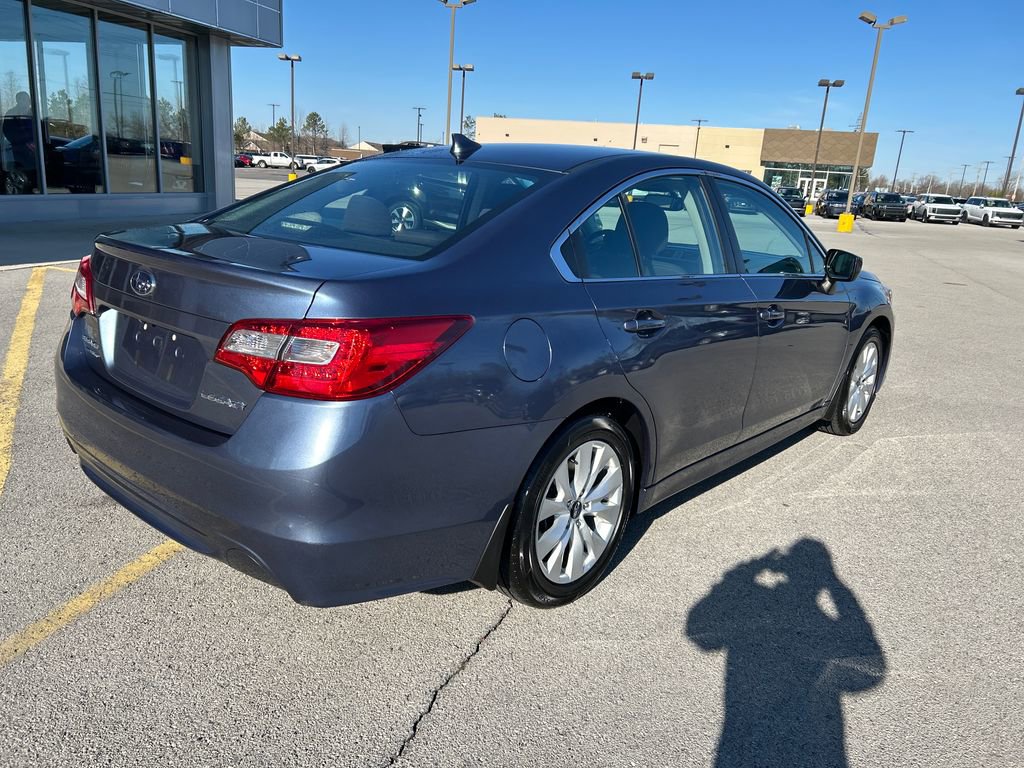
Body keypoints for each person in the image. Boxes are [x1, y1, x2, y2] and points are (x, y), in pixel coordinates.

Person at [686, 539, 886, 768]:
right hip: (815, 745)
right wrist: (833, 581)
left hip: (745, 741)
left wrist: (750, 568)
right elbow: (868, 656)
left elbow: (698, 627)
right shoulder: (822, 625)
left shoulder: (757, 602)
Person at [2, 91, 38, 194]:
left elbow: (38, 129)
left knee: (34, 173)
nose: (26, 102)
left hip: (35, 149)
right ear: (18, 100)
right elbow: (8, 130)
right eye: (22, 99)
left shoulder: (32, 113)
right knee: (22, 172)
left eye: (27, 99)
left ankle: (33, 187)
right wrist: (24, 142)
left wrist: (35, 142)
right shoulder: (12, 113)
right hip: (19, 149)